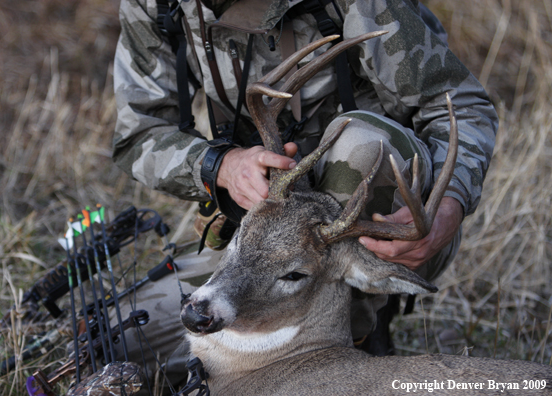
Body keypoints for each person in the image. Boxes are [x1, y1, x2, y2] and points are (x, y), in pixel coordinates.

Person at [112, 0, 497, 369]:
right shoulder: (158, 3)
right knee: (123, 339)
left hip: (381, 235)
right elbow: (138, 134)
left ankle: (353, 342)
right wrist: (221, 165)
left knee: (363, 142)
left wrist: (450, 202)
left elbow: (462, 107)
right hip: (261, 243)